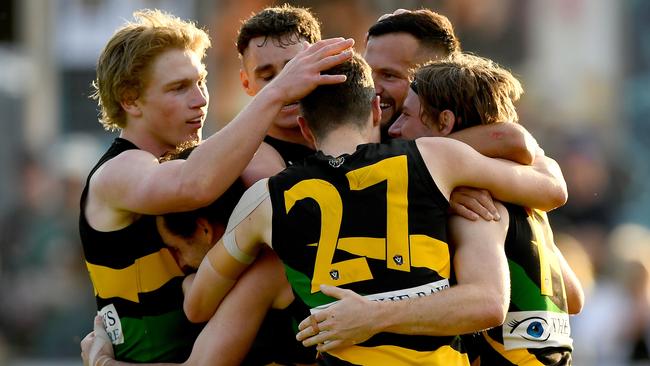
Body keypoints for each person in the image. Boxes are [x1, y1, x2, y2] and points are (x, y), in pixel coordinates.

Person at [182, 52, 568, 365]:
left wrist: (186, 283)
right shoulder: (438, 158)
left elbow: (198, 306)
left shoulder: (265, 200)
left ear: (303, 128)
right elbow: (549, 190)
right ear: (376, 110)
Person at [79, 8, 353, 363]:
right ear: (130, 100)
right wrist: (278, 91)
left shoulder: (202, 157)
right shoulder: (118, 171)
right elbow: (193, 185)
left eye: (200, 81)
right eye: (179, 88)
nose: (200, 99)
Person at [311, 53, 584, 365]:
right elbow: (572, 297)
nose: (395, 129)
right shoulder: (519, 196)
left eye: (407, 116)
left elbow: (487, 303)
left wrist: (375, 315)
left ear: (445, 122)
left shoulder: (476, 203)